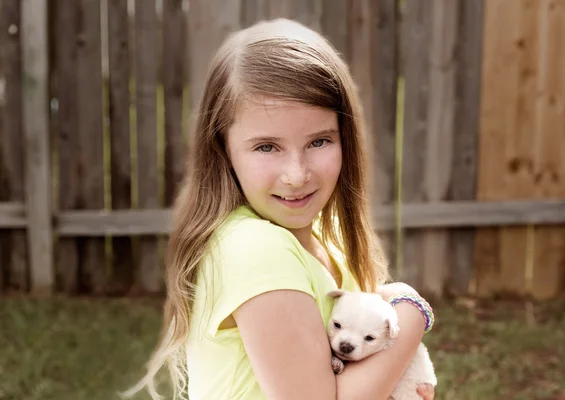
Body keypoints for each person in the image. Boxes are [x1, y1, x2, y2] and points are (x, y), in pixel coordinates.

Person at [122, 18, 436, 400]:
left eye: (319, 141)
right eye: (266, 147)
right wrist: (412, 311)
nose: (296, 174)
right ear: (224, 150)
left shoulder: (322, 237)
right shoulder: (254, 247)